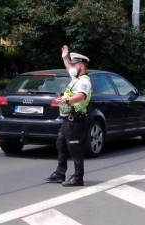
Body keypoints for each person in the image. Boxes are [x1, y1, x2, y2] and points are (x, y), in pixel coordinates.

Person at [45, 45, 92, 187]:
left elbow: (81, 95)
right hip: (67, 119)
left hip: (76, 120)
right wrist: (65, 57)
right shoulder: (76, 78)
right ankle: (60, 173)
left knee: (74, 148)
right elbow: (70, 70)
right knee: (61, 144)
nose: (71, 68)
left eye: (74, 65)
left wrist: (66, 100)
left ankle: (78, 177)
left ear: (81, 66)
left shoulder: (84, 81)